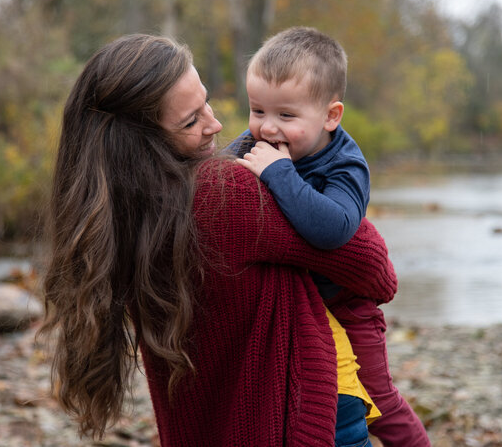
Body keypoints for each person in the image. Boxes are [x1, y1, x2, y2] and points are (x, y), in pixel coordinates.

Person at [38, 33, 399, 446]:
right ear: (141, 145)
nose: (216, 124)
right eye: (191, 121)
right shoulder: (223, 192)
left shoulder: (118, 217)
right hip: (299, 419)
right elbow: (375, 271)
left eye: (205, 103)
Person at [232, 26, 430, 446]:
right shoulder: (258, 140)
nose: (267, 129)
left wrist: (278, 174)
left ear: (330, 116)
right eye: (257, 111)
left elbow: (334, 229)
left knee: (376, 399)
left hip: (347, 303)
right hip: (294, 301)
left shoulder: (345, 165)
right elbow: (218, 181)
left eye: (286, 116)